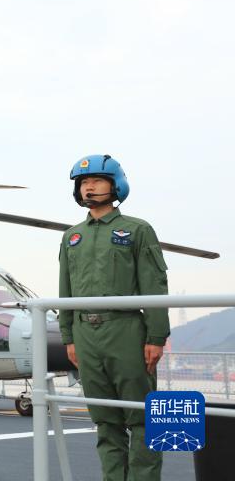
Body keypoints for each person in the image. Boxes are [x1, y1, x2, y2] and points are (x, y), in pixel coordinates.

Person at [59, 155, 169, 481]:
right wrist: (69, 337)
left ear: (115, 185)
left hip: (126, 330)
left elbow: (154, 284)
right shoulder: (71, 236)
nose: (89, 187)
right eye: (84, 182)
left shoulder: (137, 230)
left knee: (142, 416)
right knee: (105, 421)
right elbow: (65, 290)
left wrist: (156, 336)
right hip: (85, 334)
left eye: (97, 180)